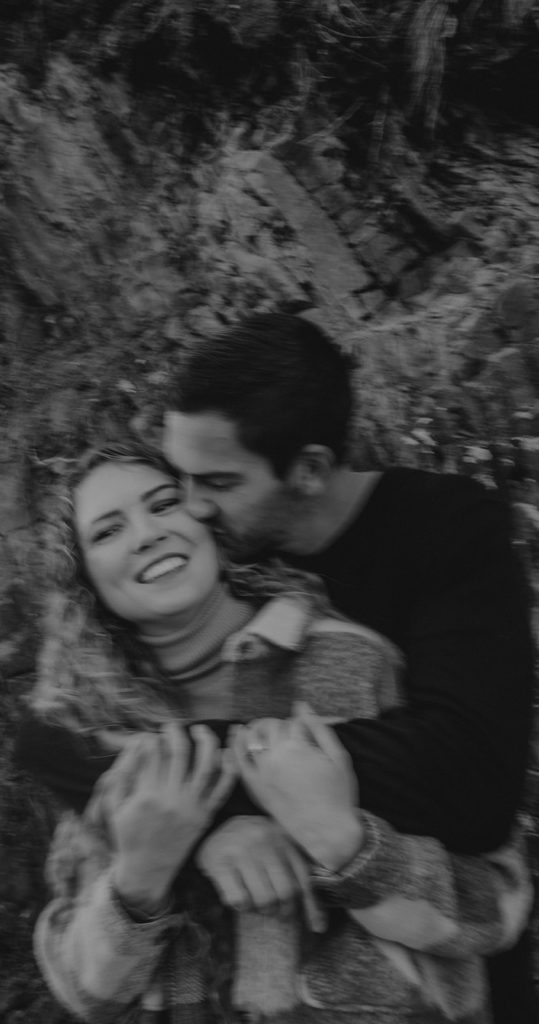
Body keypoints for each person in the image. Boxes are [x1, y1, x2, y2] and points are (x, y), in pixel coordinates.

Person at [26, 440, 531, 1024]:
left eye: (164, 504)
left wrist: (345, 845)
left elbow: (498, 900)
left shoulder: (352, 660)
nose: (146, 535)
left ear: (208, 517)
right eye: (108, 531)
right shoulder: (94, 733)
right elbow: (87, 995)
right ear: (85, 579)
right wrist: (142, 877)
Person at [162, 312, 537, 1021]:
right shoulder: (207, 561)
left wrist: (207, 775)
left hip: (449, 966)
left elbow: (472, 777)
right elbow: (63, 739)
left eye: (216, 481)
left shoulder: (446, 530)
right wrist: (212, 819)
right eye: (177, 477)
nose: (188, 507)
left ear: (308, 469)